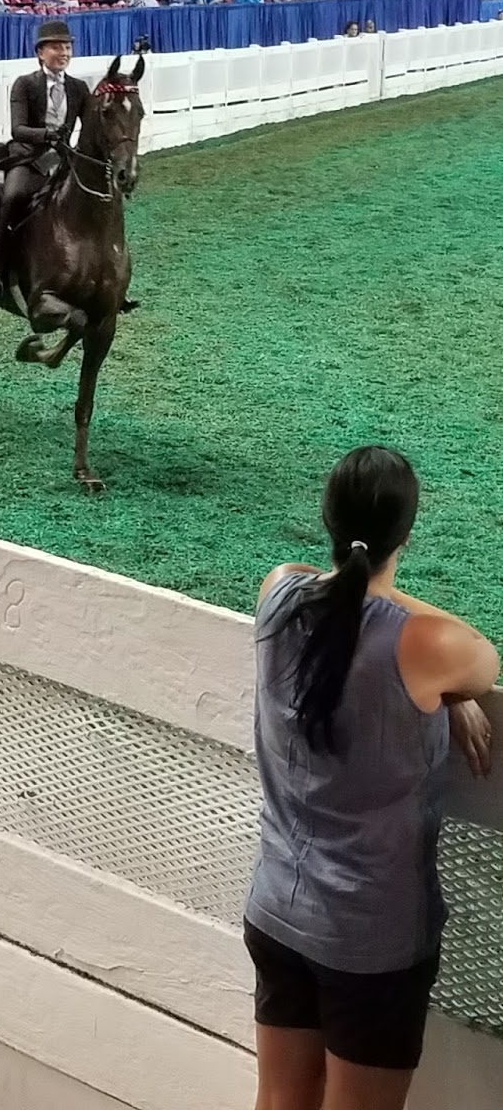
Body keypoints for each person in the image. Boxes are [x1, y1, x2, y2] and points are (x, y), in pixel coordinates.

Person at [245, 446, 498, 1110]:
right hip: (371, 939)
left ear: (326, 520)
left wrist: (361, 578)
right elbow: (480, 656)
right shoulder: (427, 646)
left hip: (276, 910)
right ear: (405, 535)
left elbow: (330, 592)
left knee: (278, 1101)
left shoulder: (279, 593)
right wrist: (447, 691)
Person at [0, 20, 90, 307]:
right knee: (13, 197)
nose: (64, 53)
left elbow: (91, 125)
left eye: (67, 47)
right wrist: (47, 135)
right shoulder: (25, 84)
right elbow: (18, 129)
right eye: (57, 47)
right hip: (29, 158)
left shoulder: (78, 88)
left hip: (63, 159)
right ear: (41, 53)